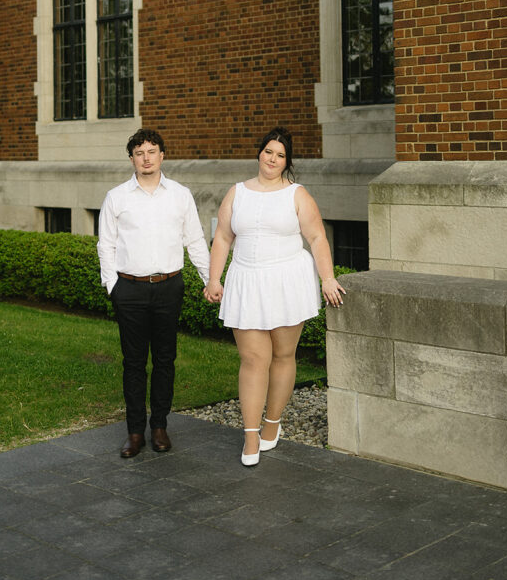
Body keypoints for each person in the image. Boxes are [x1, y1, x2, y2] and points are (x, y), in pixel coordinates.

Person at [203, 126, 345, 466]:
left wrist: (328, 278)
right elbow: (223, 237)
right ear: (259, 153)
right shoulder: (237, 192)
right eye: (269, 151)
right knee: (253, 359)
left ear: (287, 162)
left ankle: (272, 422)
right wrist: (213, 279)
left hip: (286, 281)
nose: (272, 159)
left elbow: (317, 238)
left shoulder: (297, 194)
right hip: (247, 281)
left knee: (283, 355)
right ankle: (250, 434)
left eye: (280, 155)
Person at [98, 128, 210, 458]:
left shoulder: (180, 194)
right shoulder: (116, 197)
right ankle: (135, 432)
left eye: (152, 151)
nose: (146, 158)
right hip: (129, 289)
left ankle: (159, 426)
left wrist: (210, 280)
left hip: (168, 287)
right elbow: (106, 244)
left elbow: (195, 241)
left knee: (165, 359)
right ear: (131, 158)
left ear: (162, 155)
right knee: (133, 363)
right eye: (139, 152)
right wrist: (112, 287)